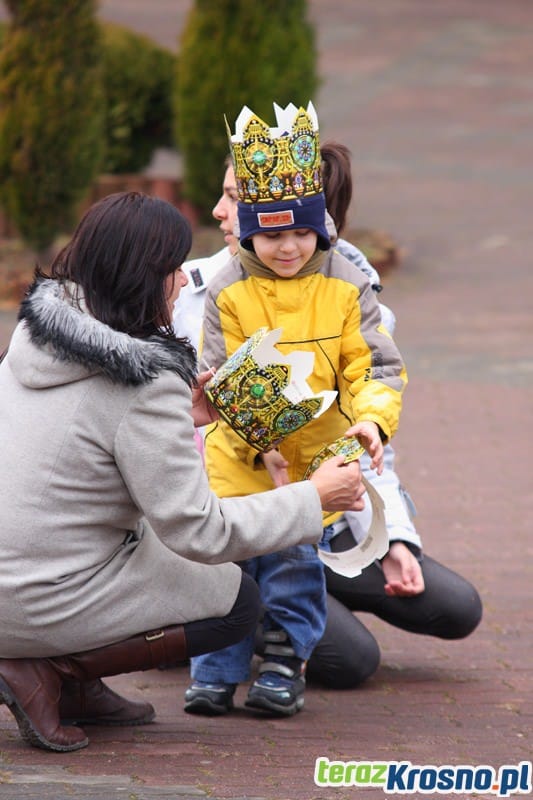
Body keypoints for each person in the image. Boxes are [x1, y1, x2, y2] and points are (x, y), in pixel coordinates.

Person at [0, 191, 367, 753]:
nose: (180, 281)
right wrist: (313, 498)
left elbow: (82, 449)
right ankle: (50, 671)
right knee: (236, 600)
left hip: (16, 576)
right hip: (35, 602)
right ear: (149, 279)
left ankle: (69, 679)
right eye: (173, 268)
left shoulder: (34, 339)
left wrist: (184, 415)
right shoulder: (142, 382)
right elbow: (200, 531)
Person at [174, 139, 482, 695]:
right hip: (234, 495)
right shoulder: (199, 291)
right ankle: (210, 652)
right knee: (347, 660)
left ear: (320, 222)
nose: (218, 211)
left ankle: (295, 610)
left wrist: (396, 541)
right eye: (230, 201)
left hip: (325, 500)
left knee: (454, 608)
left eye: (231, 197)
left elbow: (372, 400)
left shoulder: (351, 291)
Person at [182, 101, 407, 718]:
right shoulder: (227, 287)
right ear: (251, 229)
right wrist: (258, 439)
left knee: (292, 566)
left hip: (313, 462)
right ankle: (214, 672)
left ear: (323, 227)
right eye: (274, 233)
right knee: (228, 565)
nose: (289, 247)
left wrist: (372, 419)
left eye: (302, 232)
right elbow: (221, 376)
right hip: (240, 455)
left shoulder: (345, 283)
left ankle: (284, 665)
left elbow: (375, 366)